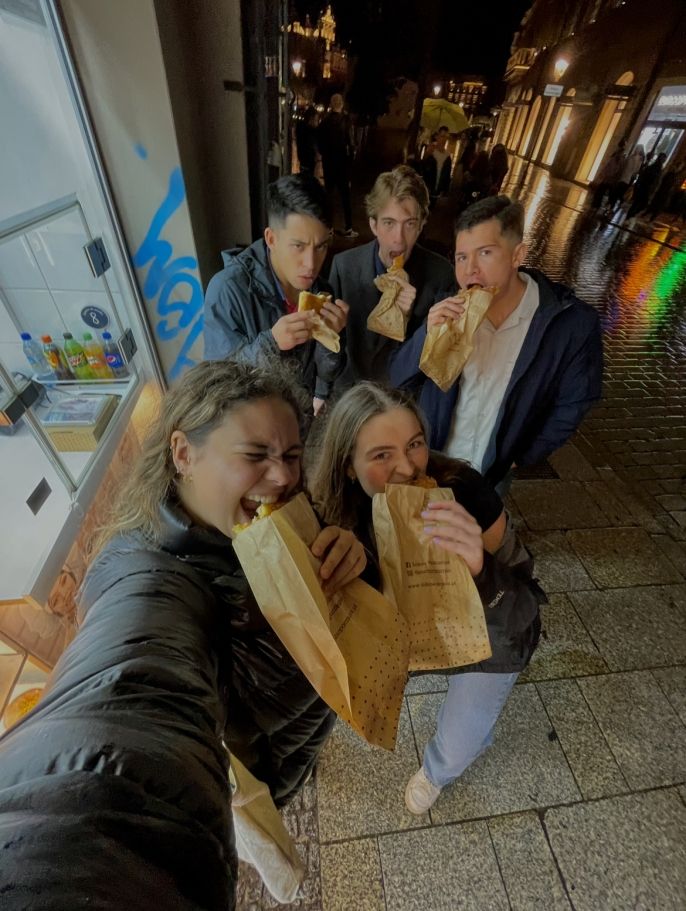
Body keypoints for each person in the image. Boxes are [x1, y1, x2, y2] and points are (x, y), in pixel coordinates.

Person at [309, 382, 544, 814]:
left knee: (462, 734)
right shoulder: (332, 516)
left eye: (414, 445)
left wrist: (481, 570)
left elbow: (524, 617)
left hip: (484, 646)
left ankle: (437, 773)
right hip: (401, 646)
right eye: (381, 455)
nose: (406, 467)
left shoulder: (466, 492)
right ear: (347, 467)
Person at [389, 195, 603, 492]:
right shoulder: (446, 304)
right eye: (461, 257)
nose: (469, 270)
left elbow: (574, 402)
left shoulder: (569, 324)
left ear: (518, 255)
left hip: (492, 475)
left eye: (485, 253)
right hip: (433, 463)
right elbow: (398, 377)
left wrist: (519, 457)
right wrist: (427, 332)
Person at [204, 173, 349, 415]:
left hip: (298, 420)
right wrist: (272, 343)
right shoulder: (227, 290)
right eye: (298, 246)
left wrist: (331, 343)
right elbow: (218, 385)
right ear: (271, 239)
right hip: (250, 426)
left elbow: (326, 371)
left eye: (321, 246)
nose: (311, 264)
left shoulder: (321, 291)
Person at [328, 164, 457, 389]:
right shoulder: (344, 266)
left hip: (402, 396)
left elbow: (436, 363)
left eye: (409, 224)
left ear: (421, 225)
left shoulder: (442, 275)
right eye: (389, 223)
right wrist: (321, 392)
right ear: (373, 225)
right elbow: (330, 342)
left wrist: (405, 320)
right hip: (349, 392)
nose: (399, 239)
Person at [317, 93, 358, 237]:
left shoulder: (325, 122)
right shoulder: (346, 121)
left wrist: (325, 155)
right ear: (341, 104)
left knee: (329, 196)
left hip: (329, 163)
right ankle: (348, 227)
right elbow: (351, 144)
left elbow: (320, 143)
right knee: (345, 197)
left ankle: (328, 227)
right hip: (343, 163)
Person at [627, 151, 667, 218]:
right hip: (646, 187)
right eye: (663, 159)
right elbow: (650, 177)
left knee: (638, 203)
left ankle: (630, 216)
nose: (664, 160)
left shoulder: (657, 167)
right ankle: (630, 216)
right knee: (640, 204)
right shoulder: (655, 167)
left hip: (646, 187)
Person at [590, 141, 626, 210]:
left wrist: (606, 174)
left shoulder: (617, 159)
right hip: (610, 179)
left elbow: (611, 167)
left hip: (610, 179)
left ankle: (598, 204)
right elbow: (610, 167)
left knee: (603, 191)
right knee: (604, 192)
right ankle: (601, 205)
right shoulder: (618, 159)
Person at [608, 143, 644, 209]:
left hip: (627, 179)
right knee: (616, 192)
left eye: (638, 149)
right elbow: (624, 166)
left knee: (618, 192)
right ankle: (612, 205)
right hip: (623, 176)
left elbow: (635, 170)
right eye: (636, 148)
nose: (636, 150)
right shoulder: (631, 157)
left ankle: (613, 205)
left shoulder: (639, 160)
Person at [422, 130, 452, 201]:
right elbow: (423, 168)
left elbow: (447, 173)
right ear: (437, 137)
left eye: (446, 137)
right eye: (442, 136)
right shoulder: (431, 151)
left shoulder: (447, 156)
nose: (444, 139)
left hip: (437, 191)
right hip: (427, 188)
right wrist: (427, 155)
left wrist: (445, 189)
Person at [295, 106, 319, 174]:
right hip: (308, 161)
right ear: (311, 119)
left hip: (303, 160)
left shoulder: (301, 128)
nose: (317, 123)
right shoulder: (310, 132)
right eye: (316, 120)